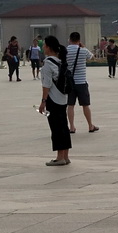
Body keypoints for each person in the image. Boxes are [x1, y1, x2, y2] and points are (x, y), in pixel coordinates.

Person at [39, 35, 72, 166]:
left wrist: (43, 101)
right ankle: (66, 156)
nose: (43, 47)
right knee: (63, 127)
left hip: (53, 100)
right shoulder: (60, 62)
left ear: (48, 47)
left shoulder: (48, 64)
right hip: (63, 99)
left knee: (56, 129)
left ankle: (59, 157)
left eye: (44, 45)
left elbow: (46, 85)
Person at [66, 32, 98, 133]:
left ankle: (71, 127)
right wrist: (83, 47)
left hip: (70, 83)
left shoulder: (65, 51)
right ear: (79, 40)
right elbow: (92, 57)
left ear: (70, 39)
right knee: (85, 105)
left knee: (70, 105)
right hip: (81, 82)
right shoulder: (83, 50)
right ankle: (90, 125)